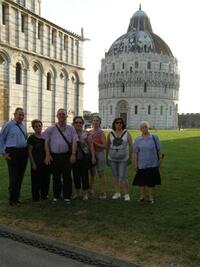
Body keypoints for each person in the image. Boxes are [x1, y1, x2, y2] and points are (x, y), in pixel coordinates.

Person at [43, 108, 78, 204]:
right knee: (56, 177)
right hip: (54, 157)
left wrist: (73, 154)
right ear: (57, 116)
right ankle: (56, 196)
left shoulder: (71, 129)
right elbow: (46, 141)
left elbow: (75, 142)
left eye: (63, 114)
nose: (62, 116)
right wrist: (47, 154)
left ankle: (67, 196)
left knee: (67, 177)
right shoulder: (51, 129)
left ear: (66, 116)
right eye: (60, 114)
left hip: (66, 156)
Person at [0, 107, 28, 206]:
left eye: (22, 115)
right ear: (14, 114)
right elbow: (1, 138)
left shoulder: (23, 125)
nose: (21, 116)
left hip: (23, 153)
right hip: (12, 152)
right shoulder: (8, 125)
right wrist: (3, 153)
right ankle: (12, 200)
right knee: (14, 177)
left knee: (20, 177)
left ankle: (17, 198)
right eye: (19, 114)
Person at [132, 121, 162, 204]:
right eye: (142, 127)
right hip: (142, 164)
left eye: (145, 127)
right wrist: (135, 163)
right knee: (141, 182)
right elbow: (135, 152)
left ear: (148, 128)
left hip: (153, 163)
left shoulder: (154, 137)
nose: (144, 128)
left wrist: (160, 160)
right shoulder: (138, 139)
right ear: (140, 129)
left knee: (151, 182)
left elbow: (159, 150)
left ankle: (151, 198)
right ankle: (141, 197)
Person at [107, 118, 132, 201]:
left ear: (123, 124)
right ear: (114, 124)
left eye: (120, 123)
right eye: (117, 123)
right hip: (112, 158)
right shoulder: (110, 133)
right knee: (115, 176)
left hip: (123, 158)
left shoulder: (127, 133)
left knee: (122, 176)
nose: (119, 124)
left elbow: (131, 145)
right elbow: (108, 146)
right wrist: (107, 157)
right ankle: (117, 193)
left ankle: (126, 194)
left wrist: (130, 157)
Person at [72, 116, 96, 200]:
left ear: (82, 124)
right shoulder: (71, 133)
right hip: (74, 157)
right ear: (73, 124)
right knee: (76, 175)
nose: (78, 124)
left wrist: (93, 157)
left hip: (85, 157)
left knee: (84, 175)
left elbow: (91, 145)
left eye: (80, 122)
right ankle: (77, 193)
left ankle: (85, 193)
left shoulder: (86, 133)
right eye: (76, 122)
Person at [27, 119, 50, 202]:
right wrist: (33, 163)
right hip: (36, 162)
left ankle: (44, 195)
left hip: (45, 162)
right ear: (33, 128)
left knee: (45, 179)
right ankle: (36, 197)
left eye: (39, 126)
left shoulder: (45, 137)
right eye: (36, 126)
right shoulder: (31, 138)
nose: (38, 127)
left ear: (41, 126)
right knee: (36, 180)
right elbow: (29, 151)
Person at [88, 115, 107, 199]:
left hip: (99, 154)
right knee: (91, 173)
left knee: (100, 174)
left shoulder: (101, 133)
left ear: (100, 123)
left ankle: (103, 192)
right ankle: (90, 189)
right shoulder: (89, 132)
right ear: (92, 122)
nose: (95, 122)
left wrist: (94, 143)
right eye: (94, 120)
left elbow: (105, 146)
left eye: (97, 121)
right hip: (91, 154)